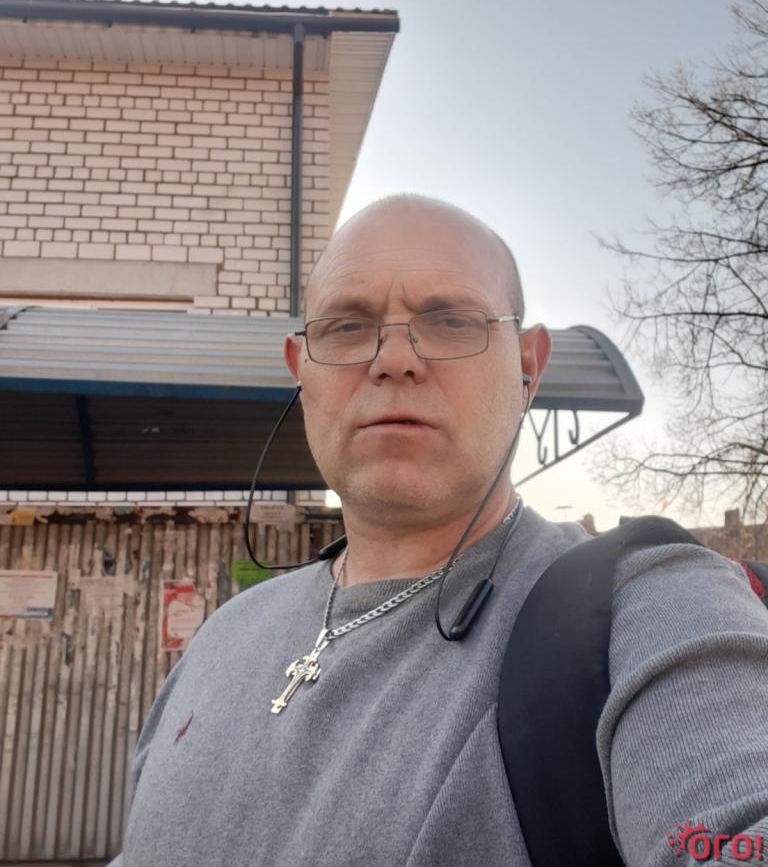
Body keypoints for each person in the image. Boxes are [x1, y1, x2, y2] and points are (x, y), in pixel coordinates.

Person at [111, 195, 768, 866]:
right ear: (300, 369)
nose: (395, 359)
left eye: (451, 321)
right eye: (347, 326)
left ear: (528, 368)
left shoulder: (641, 610)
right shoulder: (221, 638)